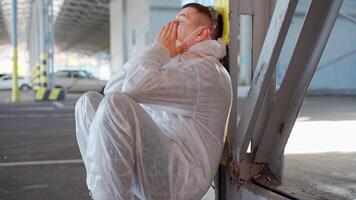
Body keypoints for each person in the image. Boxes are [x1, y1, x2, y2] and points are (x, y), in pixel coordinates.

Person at [75, 3, 232, 200]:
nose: (171, 25)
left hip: (179, 181)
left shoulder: (205, 72)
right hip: (158, 165)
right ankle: (103, 193)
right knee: (88, 103)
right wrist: (160, 50)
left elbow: (133, 88)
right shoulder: (178, 63)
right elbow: (111, 89)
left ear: (201, 35)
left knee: (115, 105)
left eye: (181, 20)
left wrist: (159, 50)